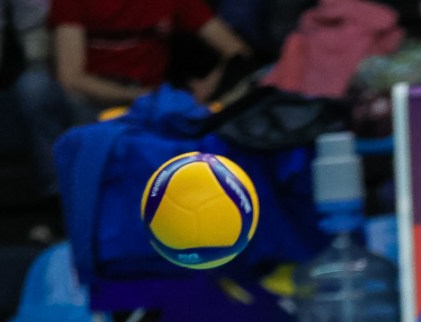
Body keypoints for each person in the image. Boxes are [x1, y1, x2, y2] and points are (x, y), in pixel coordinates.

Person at [13, 0, 251, 199]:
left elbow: (237, 51)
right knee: (38, 89)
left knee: (185, 113)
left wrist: (208, 85)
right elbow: (71, 78)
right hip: (91, 92)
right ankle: (62, 198)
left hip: (148, 99)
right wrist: (140, 95)